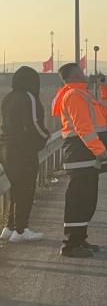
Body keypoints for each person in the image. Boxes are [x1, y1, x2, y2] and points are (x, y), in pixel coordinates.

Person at [52, 62, 107, 258]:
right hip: (81, 155)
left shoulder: (83, 94)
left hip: (87, 156)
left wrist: (105, 87)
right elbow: (83, 128)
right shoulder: (74, 96)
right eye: (81, 71)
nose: (85, 73)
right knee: (78, 200)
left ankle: (79, 239)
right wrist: (100, 151)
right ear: (72, 76)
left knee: (87, 200)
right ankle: (70, 245)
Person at [0, 66, 50, 243]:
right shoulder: (28, 97)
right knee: (26, 189)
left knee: (15, 188)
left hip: (6, 149)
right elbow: (34, 124)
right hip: (23, 151)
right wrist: (46, 136)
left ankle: (9, 227)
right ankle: (21, 230)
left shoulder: (8, 97)